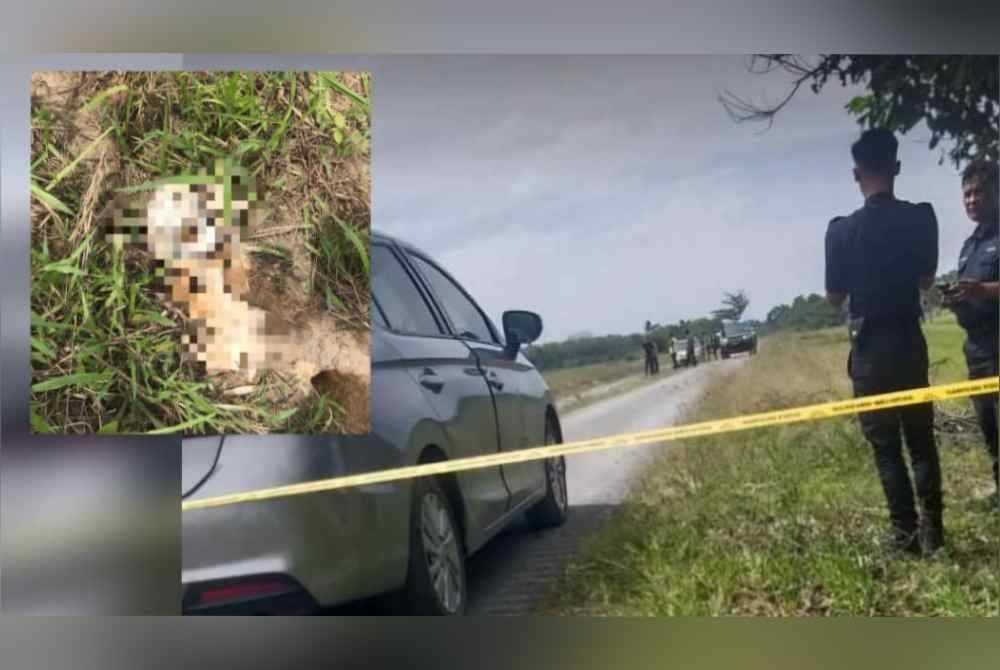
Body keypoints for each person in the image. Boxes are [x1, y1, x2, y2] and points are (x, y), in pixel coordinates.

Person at [825, 128, 943, 556]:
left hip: (870, 350)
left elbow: (834, 297)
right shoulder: (921, 217)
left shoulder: (840, 232)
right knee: (921, 440)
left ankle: (906, 538)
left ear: (857, 174)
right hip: (910, 342)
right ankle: (935, 534)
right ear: (896, 168)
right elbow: (926, 280)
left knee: (886, 449)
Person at [942, 159, 999, 506]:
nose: (972, 200)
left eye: (979, 192)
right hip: (976, 348)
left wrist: (984, 291)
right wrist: (957, 300)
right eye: (967, 194)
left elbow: (984, 289)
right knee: (988, 424)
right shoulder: (968, 247)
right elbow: (971, 292)